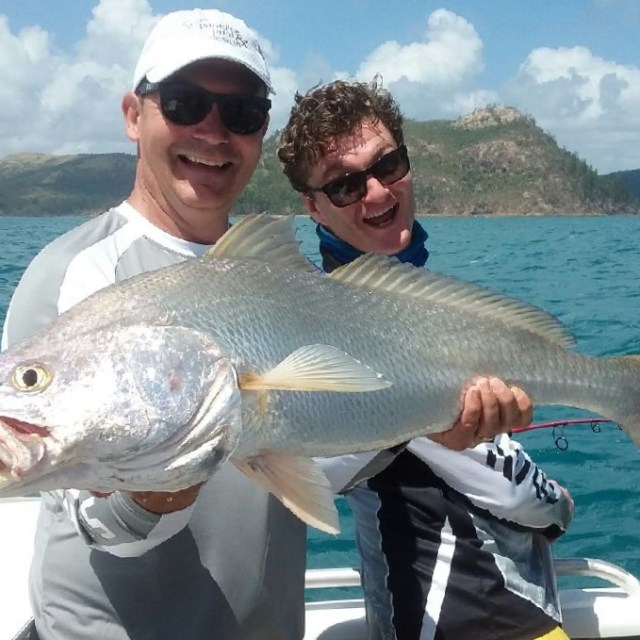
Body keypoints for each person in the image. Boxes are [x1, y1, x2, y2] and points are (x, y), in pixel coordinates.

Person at [2, 11, 532, 640]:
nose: (213, 131)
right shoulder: (73, 272)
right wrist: (149, 497)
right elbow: (80, 519)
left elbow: (310, 447)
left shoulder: (286, 281)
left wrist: (424, 421)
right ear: (132, 114)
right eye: (183, 102)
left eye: (242, 114)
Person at [278, 79, 575, 640]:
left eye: (388, 165)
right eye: (344, 186)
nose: (377, 194)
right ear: (311, 205)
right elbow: (509, 491)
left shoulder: (435, 307)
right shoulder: (327, 329)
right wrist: (558, 505)